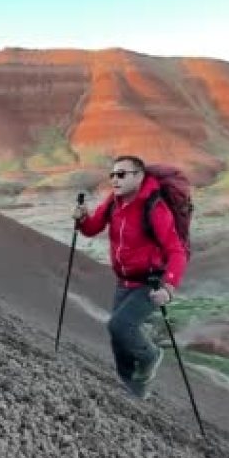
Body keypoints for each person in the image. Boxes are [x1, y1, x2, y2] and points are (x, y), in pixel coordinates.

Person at [73, 156, 187, 398]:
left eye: (122, 174)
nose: (115, 179)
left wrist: (168, 288)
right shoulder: (114, 202)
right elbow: (93, 228)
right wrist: (82, 219)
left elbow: (176, 251)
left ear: (139, 176)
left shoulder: (155, 208)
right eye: (113, 175)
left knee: (120, 325)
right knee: (118, 340)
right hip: (124, 281)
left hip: (150, 282)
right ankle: (132, 390)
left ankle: (151, 356)